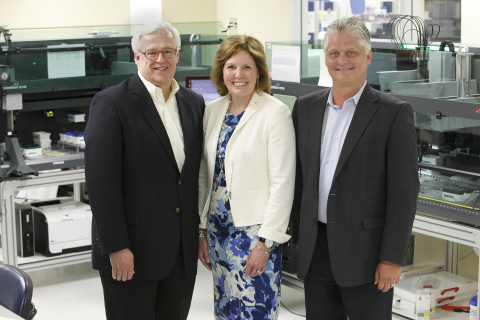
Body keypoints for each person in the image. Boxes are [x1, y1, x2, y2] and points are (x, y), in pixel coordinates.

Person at [291, 17, 419, 319]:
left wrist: (392, 258)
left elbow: (403, 193)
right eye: (334, 53)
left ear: (368, 56)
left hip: (367, 255)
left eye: (351, 52)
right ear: (325, 58)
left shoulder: (394, 113)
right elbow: (298, 178)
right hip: (315, 250)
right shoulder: (305, 108)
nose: (342, 60)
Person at [84, 22, 205, 320]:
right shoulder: (112, 103)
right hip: (131, 251)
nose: (160, 59)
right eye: (151, 52)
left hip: (179, 251)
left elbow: (192, 176)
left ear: (178, 55)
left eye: (167, 51)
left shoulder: (194, 103)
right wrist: (116, 248)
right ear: (137, 57)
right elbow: (102, 185)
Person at [197, 35, 295, 320]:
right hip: (218, 232)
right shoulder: (213, 111)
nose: (238, 75)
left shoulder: (275, 113)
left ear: (260, 72)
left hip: (254, 237)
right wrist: (201, 231)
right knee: (225, 309)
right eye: (231, 67)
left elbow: (283, 184)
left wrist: (266, 244)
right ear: (221, 72)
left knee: (255, 312)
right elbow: (206, 177)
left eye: (247, 67)